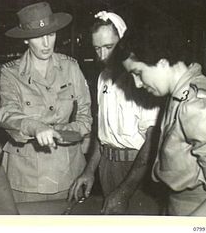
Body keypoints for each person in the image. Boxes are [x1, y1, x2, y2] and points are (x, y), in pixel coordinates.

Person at [0, 2, 92, 202]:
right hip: (26, 177)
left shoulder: (71, 68)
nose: (47, 43)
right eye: (38, 37)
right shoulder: (10, 73)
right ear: (25, 40)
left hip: (70, 172)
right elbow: (7, 114)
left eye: (51, 34)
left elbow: (85, 117)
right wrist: (37, 128)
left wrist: (61, 132)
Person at [68, 11, 161, 215]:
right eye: (97, 48)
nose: (102, 56)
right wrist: (89, 171)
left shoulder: (141, 80)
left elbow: (152, 141)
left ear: (123, 42)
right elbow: (103, 137)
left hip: (137, 171)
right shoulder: (102, 78)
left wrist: (125, 192)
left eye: (109, 47)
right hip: (107, 167)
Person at [121, 18, 206, 216]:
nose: (136, 84)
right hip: (175, 204)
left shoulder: (197, 105)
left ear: (161, 61)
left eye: (138, 73)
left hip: (195, 210)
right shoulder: (177, 95)